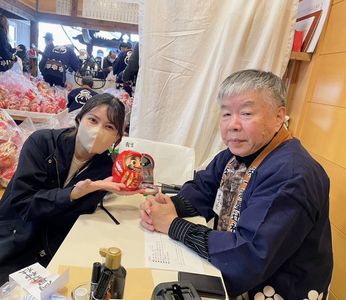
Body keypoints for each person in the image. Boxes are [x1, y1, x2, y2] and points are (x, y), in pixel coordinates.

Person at [140, 70, 333, 299]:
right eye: (226, 114)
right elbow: (203, 189)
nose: (233, 125)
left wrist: (174, 225)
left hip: (281, 287)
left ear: (279, 116)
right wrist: (167, 205)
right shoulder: (235, 155)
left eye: (246, 113)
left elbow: (249, 253)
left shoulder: (292, 174)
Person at [0, 94, 133, 285]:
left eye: (109, 127)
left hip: (53, 247)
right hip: (15, 236)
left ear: (117, 138)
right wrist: (73, 193)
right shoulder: (42, 143)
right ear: (79, 120)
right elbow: (24, 204)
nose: (98, 131)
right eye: (93, 120)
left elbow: (77, 216)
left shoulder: (104, 170)